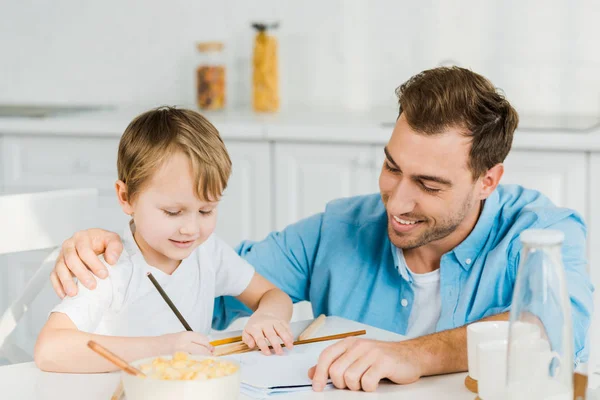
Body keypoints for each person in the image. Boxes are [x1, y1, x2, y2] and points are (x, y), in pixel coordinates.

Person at [49, 67, 593, 391]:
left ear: (487, 180)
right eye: (391, 167)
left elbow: (554, 326)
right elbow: (197, 278)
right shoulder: (340, 228)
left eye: (428, 183)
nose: (396, 201)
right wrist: (115, 242)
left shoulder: (543, 232)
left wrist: (412, 354)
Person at [35, 107, 294, 373]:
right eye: (173, 212)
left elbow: (272, 295)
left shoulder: (208, 252)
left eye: (206, 210)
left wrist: (268, 316)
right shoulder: (112, 268)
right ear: (126, 198)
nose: (191, 229)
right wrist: (163, 349)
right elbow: (49, 349)